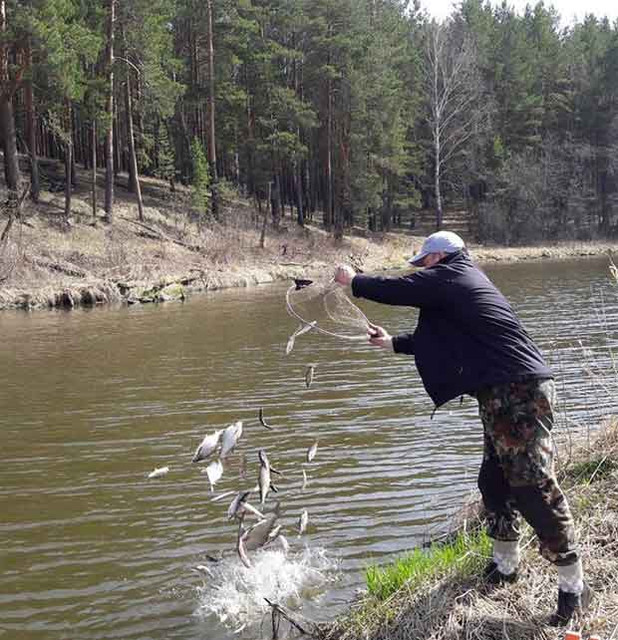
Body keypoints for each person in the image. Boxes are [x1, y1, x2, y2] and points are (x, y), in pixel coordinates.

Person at [334, 230, 589, 626]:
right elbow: (443, 342)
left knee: (532, 486)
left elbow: (400, 290)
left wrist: (354, 282)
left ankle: (574, 586)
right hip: (500, 394)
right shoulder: (456, 290)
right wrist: (391, 344)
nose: (421, 270)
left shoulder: (456, 275)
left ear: (440, 257)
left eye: (424, 263)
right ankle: (506, 566)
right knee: (494, 481)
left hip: (520, 391)